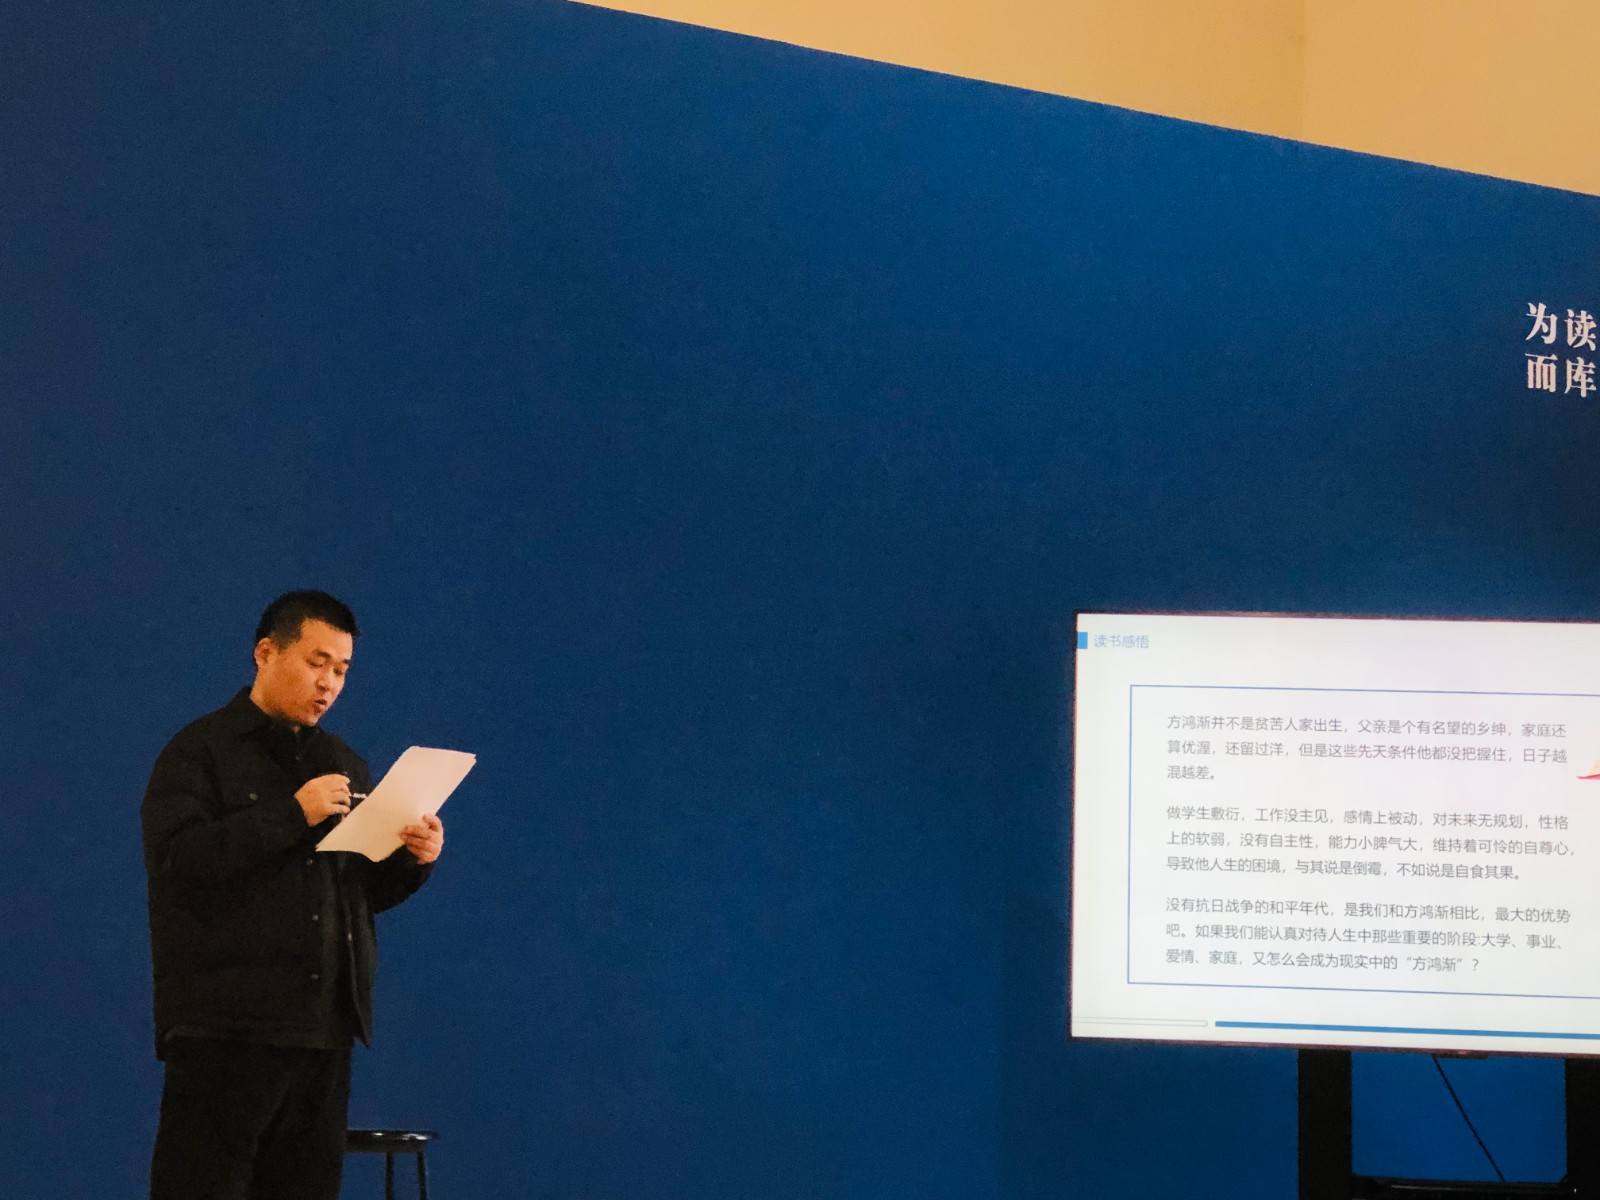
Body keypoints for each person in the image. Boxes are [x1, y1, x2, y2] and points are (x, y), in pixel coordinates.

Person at [141, 590, 444, 1200]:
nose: (328, 683)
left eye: (342, 670)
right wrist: (291, 813)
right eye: (316, 662)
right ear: (265, 653)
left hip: (324, 1030)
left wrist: (414, 860)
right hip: (225, 1030)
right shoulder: (199, 751)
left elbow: (357, 891)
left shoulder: (342, 761)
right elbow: (180, 862)